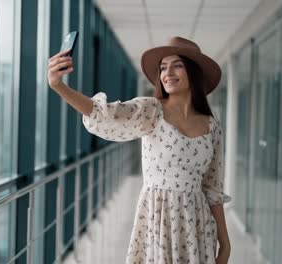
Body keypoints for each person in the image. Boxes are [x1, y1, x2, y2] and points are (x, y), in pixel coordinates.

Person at [47, 36, 232, 264]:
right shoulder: (151, 110)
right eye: (163, 67)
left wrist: (225, 241)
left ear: (193, 72)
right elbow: (104, 113)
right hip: (158, 220)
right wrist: (59, 86)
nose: (168, 73)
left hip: (198, 225)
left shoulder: (212, 126)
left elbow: (212, 188)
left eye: (178, 66)